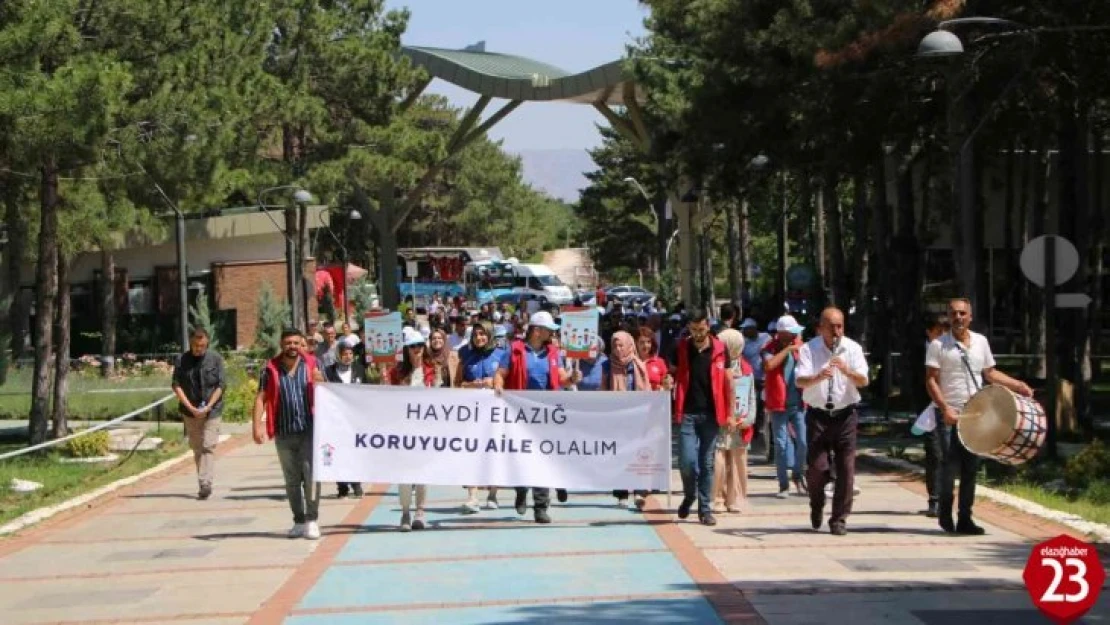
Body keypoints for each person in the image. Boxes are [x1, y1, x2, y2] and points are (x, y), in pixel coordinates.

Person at [926, 298, 1032, 535]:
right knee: (949, 466)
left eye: (963, 313)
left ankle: (965, 518)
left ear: (970, 317)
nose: (958, 317)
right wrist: (944, 409)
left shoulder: (981, 342)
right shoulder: (938, 345)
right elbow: (931, 379)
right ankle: (944, 512)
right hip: (949, 413)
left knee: (971, 468)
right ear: (949, 317)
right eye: (953, 313)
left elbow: (990, 373)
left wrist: (1018, 385)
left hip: (976, 413)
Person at [493, 311, 581, 524]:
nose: (552, 333)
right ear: (537, 330)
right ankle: (521, 490)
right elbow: (500, 374)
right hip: (519, 412)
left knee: (543, 458)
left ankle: (541, 506)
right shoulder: (514, 350)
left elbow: (562, 379)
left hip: (546, 413)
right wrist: (498, 387)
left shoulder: (553, 353)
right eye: (549, 329)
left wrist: (572, 378)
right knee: (521, 456)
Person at [795, 307, 869, 536]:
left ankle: (839, 519)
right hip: (818, 416)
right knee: (817, 469)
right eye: (831, 327)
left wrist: (846, 371)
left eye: (840, 326)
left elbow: (863, 380)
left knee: (846, 470)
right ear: (820, 328)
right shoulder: (809, 349)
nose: (836, 332)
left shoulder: (853, 348)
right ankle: (816, 504)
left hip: (845, 415)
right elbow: (800, 381)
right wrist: (818, 376)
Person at [252, 328, 325, 540]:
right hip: (284, 432)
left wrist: (321, 382)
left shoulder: (313, 364)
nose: (292, 347)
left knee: (311, 477)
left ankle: (312, 520)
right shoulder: (270, 369)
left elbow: (329, 394)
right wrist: (257, 426)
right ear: (281, 344)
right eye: (288, 343)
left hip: (310, 430)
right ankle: (298, 521)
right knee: (292, 479)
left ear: (301, 343)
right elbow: (260, 398)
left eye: (295, 342)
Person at [671, 309, 735, 526]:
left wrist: (730, 414)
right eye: (693, 329)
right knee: (687, 462)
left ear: (708, 326)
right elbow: (671, 373)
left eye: (701, 329)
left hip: (711, 414)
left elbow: (728, 383)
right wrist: (667, 381)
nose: (697, 333)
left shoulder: (719, 349)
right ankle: (690, 495)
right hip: (687, 412)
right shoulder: (682, 348)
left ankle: (705, 509)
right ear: (688, 328)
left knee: (706, 464)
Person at [388, 327, 439, 531]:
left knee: (422, 473)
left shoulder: (431, 369)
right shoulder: (397, 372)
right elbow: (388, 398)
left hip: (425, 430)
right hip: (403, 430)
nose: (416, 349)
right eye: (412, 346)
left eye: (419, 345)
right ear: (406, 349)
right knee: (404, 475)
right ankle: (405, 512)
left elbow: (440, 397)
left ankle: (420, 511)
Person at [171, 328, 227, 501]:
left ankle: (205, 483)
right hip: (190, 410)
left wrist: (208, 407)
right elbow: (176, 385)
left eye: (202, 346)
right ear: (190, 343)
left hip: (212, 410)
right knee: (197, 447)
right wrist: (191, 407)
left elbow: (221, 385)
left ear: (207, 343)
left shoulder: (215, 359)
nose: (198, 349)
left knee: (208, 445)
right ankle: (203, 480)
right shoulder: (182, 360)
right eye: (195, 345)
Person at [454, 321, 504, 513]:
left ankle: (492, 494)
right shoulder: (465, 355)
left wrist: (494, 381)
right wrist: (471, 385)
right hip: (472, 412)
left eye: (483, 334)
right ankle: (472, 496)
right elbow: (458, 383)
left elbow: (507, 381)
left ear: (490, 335)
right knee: (471, 453)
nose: (479, 338)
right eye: (476, 335)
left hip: (495, 412)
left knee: (494, 452)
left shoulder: (500, 355)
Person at [601, 331, 650, 509]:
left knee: (639, 453)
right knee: (620, 453)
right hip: (617, 416)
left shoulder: (638, 365)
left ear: (630, 345)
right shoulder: (607, 365)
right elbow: (603, 390)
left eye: (621, 345)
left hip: (637, 415)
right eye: (615, 345)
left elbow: (647, 390)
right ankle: (621, 493)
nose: (618, 348)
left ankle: (639, 491)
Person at [762, 314, 807, 498]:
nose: (795, 336)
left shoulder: (800, 346)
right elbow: (769, 365)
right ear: (781, 334)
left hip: (798, 403)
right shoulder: (769, 348)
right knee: (781, 445)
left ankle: (798, 474)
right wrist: (788, 350)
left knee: (803, 442)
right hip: (777, 404)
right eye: (792, 333)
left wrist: (797, 349)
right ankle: (783, 484)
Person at [714, 329, 755, 514]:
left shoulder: (746, 368)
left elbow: (751, 396)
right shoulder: (717, 365)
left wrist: (748, 418)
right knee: (720, 459)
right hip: (721, 420)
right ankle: (717, 498)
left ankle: (735, 499)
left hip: (741, 422)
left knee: (738, 461)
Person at [324, 342, 367, 499]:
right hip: (336, 420)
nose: (348, 357)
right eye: (344, 354)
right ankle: (342, 486)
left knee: (355, 452)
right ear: (338, 355)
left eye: (350, 354)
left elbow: (368, 391)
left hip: (355, 420)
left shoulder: (359, 370)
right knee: (338, 452)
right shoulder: (329, 372)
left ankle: (356, 485)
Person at [920, 313, 950, 518]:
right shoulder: (922, 353)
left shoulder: (951, 351)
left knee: (949, 454)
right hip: (929, 410)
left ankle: (947, 499)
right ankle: (935, 500)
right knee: (935, 452)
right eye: (938, 333)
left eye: (945, 333)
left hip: (952, 407)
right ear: (929, 333)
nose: (942, 337)